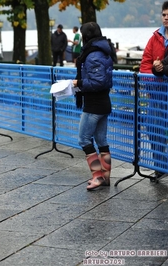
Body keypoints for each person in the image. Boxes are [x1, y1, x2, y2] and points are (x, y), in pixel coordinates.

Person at [72, 22, 113, 191]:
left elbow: (98, 81)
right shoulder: (104, 51)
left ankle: (97, 176)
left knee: (84, 139)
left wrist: (78, 82)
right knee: (102, 141)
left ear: (87, 36)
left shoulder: (93, 54)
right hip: (103, 102)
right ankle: (106, 176)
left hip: (94, 104)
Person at [139, 1, 168, 179]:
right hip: (156, 95)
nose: (166, 18)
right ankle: (160, 166)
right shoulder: (154, 37)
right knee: (153, 129)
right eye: (164, 15)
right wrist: (153, 80)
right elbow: (144, 64)